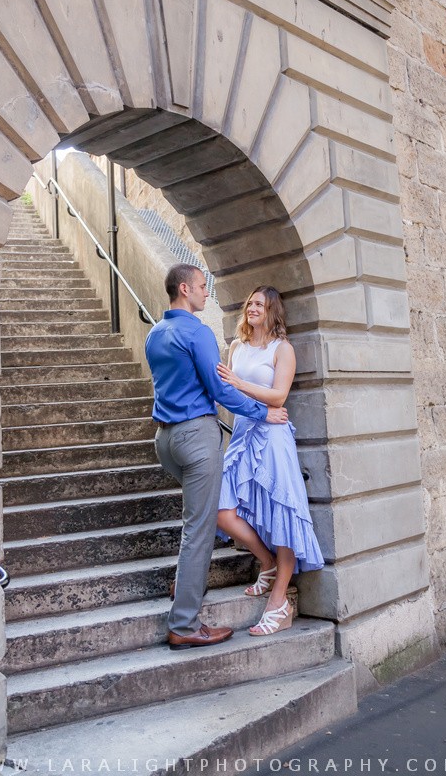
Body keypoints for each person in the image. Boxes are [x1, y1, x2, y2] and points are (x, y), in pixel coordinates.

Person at [145, 264, 288, 651]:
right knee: (199, 530)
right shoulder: (197, 332)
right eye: (203, 288)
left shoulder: (155, 334)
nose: (206, 294)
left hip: (165, 439)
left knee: (196, 518)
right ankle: (185, 624)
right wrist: (264, 412)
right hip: (195, 436)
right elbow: (220, 390)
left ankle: (184, 584)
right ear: (185, 289)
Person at [217, 286, 324, 636]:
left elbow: (279, 395)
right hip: (244, 432)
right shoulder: (238, 347)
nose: (252, 307)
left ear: (272, 311)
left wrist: (238, 384)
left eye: (260, 304)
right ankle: (267, 563)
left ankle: (279, 603)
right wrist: (238, 389)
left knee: (283, 511)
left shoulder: (283, 349)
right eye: (250, 302)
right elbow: (229, 396)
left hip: (274, 437)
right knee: (224, 510)